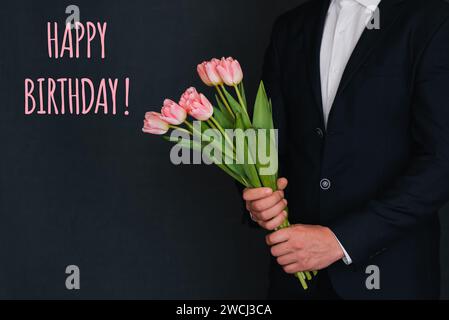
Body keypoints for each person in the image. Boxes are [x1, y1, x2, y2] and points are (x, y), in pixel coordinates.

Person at [243, 0, 449, 299]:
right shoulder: (290, 27)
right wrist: (257, 200)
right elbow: (266, 141)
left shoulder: (433, 19)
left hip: (392, 279)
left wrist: (340, 241)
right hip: (296, 279)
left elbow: (441, 162)